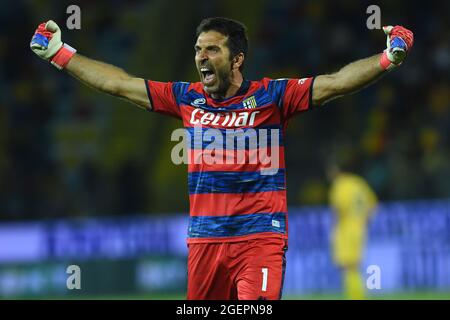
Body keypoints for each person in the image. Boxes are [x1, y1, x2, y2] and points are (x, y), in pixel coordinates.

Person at [30, 17, 413, 300]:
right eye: (198, 49)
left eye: (212, 49)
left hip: (260, 238)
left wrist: (387, 59)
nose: (201, 56)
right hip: (204, 243)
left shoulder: (272, 97)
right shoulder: (185, 97)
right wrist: (59, 53)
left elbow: (335, 84)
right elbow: (118, 83)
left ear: (237, 59)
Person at [327, 162, 378, 300]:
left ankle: (356, 296)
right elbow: (373, 205)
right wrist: (364, 222)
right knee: (354, 266)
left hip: (346, 229)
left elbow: (337, 209)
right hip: (360, 228)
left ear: (335, 171)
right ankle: (359, 295)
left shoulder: (340, 185)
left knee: (347, 266)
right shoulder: (358, 182)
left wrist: (333, 229)